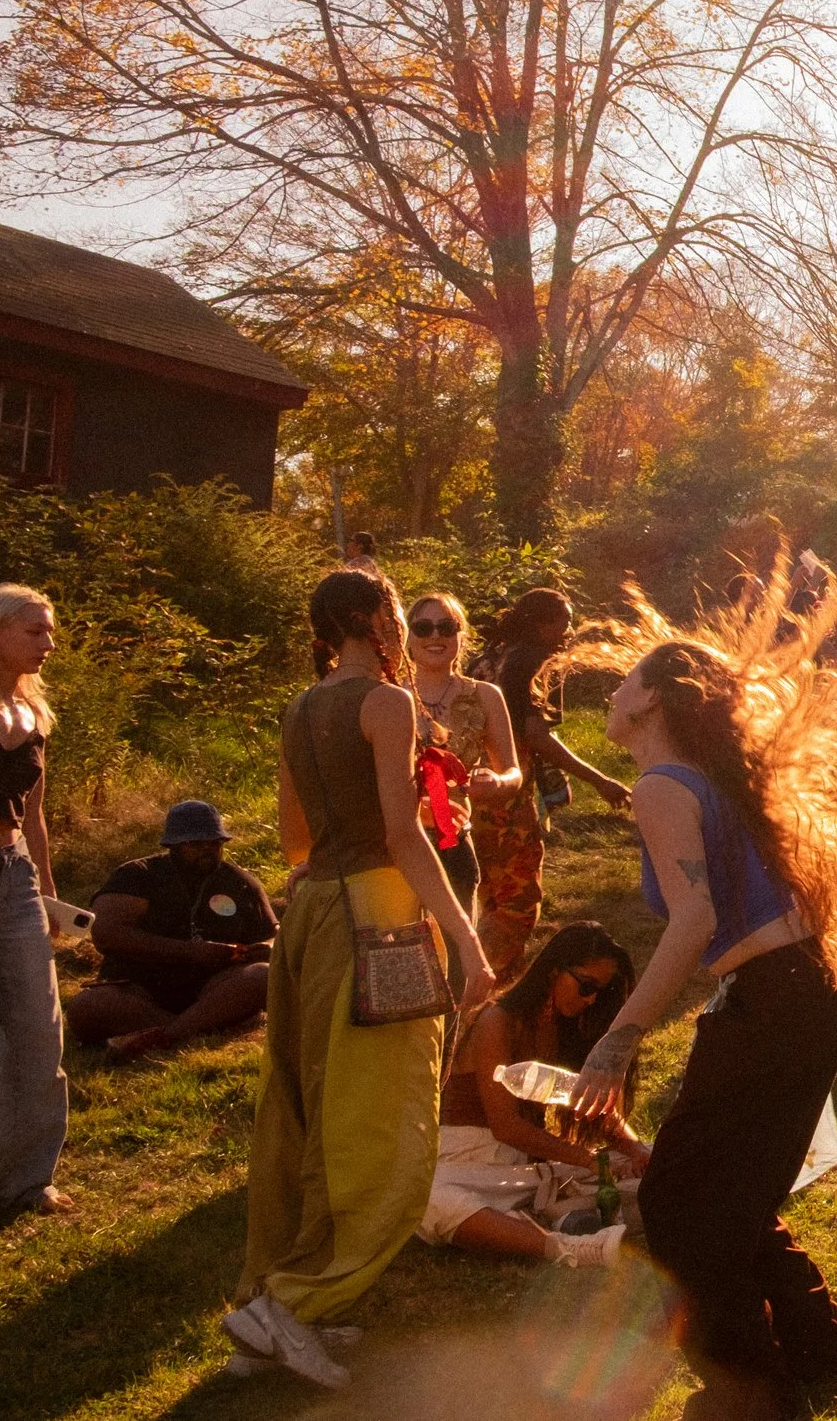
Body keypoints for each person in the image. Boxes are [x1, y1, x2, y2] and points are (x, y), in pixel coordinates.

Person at [564, 591, 837, 1420]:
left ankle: (749, 1393)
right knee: (731, 1191)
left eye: (626, 679)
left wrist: (615, 1043)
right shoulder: (703, 778)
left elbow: (693, 918)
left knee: (674, 1201)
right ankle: (814, 1343)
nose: (614, 690)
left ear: (653, 697)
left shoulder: (664, 783)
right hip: (813, 989)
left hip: (777, 1001)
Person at [232, 569, 495, 1389]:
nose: (399, 623)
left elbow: (293, 837)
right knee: (381, 1119)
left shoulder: (301, 706)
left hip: (309, 911)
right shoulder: (388, 704)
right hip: (372, 908)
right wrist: (466, 940)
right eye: (391, 609)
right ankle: (293, 1302)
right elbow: (405, 834)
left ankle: (283, 1296)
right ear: (366, 619)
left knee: (311, 1105)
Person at [418, 921, 639, 1268]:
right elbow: (504, 1125)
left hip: (526, 1168)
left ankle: (554, 1219)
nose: (592, 999)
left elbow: (594, 1109)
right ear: (553, 972)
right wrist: (588, 1159)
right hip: (464, 1161)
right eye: (586, 986)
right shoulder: (497, 1021)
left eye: (601, 992)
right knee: (428, 1199)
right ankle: (565, 1245)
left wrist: (636, 1150)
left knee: (644, 1164)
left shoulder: (565, 1029)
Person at [473, 588, 630, 974]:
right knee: (517, 899)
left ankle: (471, 971)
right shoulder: (537, 661)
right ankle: (487, 986)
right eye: (564, 620)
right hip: (507, 789)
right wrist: (600, 779)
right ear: (542, 624)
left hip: (471, 785)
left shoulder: (488, 656)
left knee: (485, 890)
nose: (569, 630)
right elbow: (537, 736)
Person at [66, 800, 275, 1061]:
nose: (207, 851)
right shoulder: (137, 876)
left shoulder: (239, 881)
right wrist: (190, 953)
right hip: (141, 989)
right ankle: (198, 1026)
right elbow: (107, 933)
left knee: (261, 977)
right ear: (172, 846)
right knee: (87, 1008)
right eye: (195, 845)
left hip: (213, 987)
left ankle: (168, 1035)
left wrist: (261, 949)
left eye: (214, 843)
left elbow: (273, 934)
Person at [0, 582, 68, 1215]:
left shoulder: (34, 713)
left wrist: (46, 891)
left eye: (49, 631)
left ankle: (24, 1180)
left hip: (13, 875)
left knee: (38, 1036)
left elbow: (35, 816)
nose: (48, 643)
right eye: (33, 632)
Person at [404, 593, 522, 916]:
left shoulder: (485, 696)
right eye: (423, 627)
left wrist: (497, 782)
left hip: (451, 841)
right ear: (408, 638)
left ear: (461, 635)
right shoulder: (388, 695)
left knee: (457, 956)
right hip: (398, 845)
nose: (435, 636)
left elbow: (513, 771)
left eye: (446, 626)